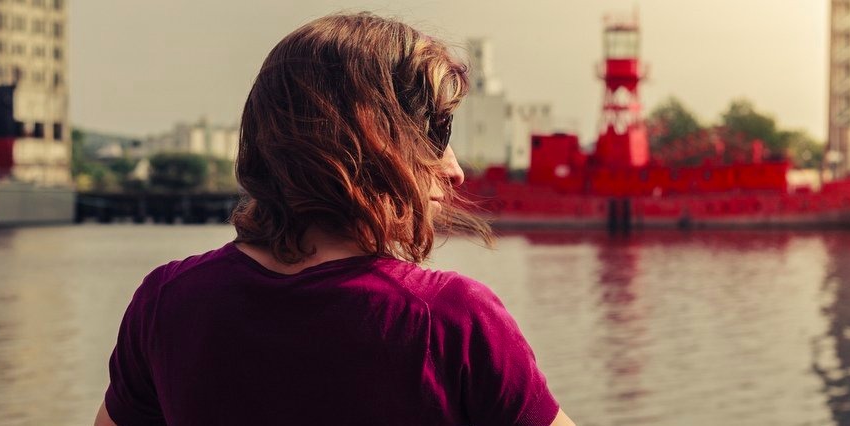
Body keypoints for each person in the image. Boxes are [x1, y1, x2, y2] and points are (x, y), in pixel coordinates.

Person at [95, 13, 573, 426]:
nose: (455, 169)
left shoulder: (167, 302)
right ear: (370, 136)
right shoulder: (452, 319)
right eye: (436, 131)